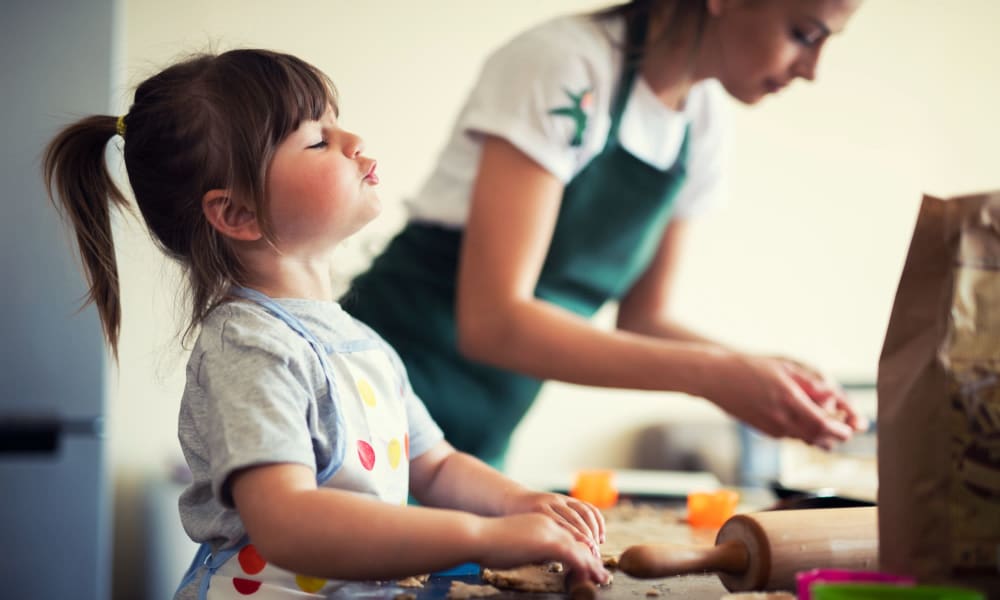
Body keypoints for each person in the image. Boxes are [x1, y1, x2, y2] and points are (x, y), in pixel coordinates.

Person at [42, 49, 610, 600]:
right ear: (237, 213)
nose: (353, 142)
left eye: (336, 125)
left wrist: (518, 503)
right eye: (317, 139)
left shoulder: (362, 342)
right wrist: (484, 536)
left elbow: (433, 464)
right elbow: (288, 521)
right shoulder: (248, 344)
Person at [343, 0, 869, 469]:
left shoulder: (702, 123)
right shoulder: (564, 66)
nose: (813, 70)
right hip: (373, 403)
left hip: (475, 447)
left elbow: (646, 319)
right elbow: (493, 323)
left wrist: (761, 373)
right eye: (804, 33)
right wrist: (713, 375)